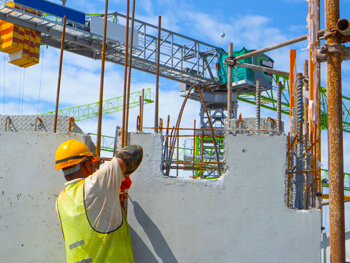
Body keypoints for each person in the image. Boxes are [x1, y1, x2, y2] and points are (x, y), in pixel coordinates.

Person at [55, 140, 143, 263]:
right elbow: (134, 151)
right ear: (86, 165)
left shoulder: (60, 201)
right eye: (92, 164)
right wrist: (121, 174)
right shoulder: (94, 185)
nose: (94, 168)